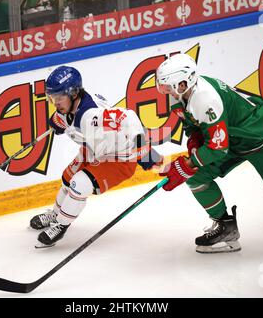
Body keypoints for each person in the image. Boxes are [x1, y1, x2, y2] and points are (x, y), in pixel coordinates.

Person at [155, 53, 263, 254]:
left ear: (184, 83)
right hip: (232, 140)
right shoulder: (179, 98)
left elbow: (218, 148)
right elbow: (194, 130)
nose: (165, 91)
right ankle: (226, 228)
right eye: (163, 86)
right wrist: (193, 151)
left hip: (261, 137)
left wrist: (188, 164)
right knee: (197, 178)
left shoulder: (206, 99)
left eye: (168, 86)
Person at [30, 66, 163, 247]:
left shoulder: (91, 116)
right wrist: (57, 121)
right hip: (95, 149)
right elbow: (67, 119)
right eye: (52, 97)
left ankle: (61, 225)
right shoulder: (71, 107)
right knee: (67, 178)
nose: (55, 102)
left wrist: (144, 151)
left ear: (74, 93)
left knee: (80, 184)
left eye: (59, 97)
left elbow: (128, 117)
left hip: (119, 159)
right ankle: (55, 214)